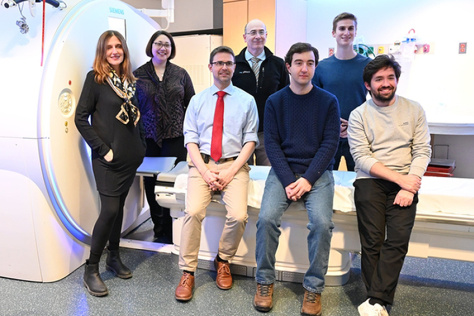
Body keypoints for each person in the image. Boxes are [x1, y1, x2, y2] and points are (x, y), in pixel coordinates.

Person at [253, 42, 340, 316]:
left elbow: (330, 144)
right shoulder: (275, 101)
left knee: (323, 224)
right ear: (288, 66)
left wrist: (308, 180)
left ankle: (313, 289)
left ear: (315, 66)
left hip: (318, 173)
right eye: (299, 62)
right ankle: (264, 282)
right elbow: (273, 144)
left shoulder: (328, 101)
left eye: (310, 63)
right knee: (266, 219)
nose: (305, 68)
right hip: (283, 171)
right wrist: (291, 179)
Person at [347, 55, 431, 316]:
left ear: (397, 80)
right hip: (370, 180)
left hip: (405, 182)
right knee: (372, 240)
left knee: (397, 240)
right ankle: (379, 302)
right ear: (368, 85)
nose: (386, 83)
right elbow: (361, 157)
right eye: (379, 79)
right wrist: (400, 180)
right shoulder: (358, 115)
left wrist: (409, 186)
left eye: (390, 78)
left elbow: (423, 150)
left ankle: (374, 302)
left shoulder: (414, 109)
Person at [174, 46, 259, 302]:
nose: (224, 67)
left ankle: (223, 259)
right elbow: (190, 140)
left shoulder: (247, 101)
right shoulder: (197, 101)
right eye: (219, 63)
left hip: (234, 164)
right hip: (202, 164)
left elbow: (250, 141)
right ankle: (188, 272)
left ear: (234, 67)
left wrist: (230, 171)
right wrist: (205, 171)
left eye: (229, 63)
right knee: (193, 212)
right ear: (211, 67)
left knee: (239, 215)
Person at [75, 30, 146, 297]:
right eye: (109, 48)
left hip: (130, 158)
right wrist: (103, 150)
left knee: (118, 210)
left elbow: (135, 115)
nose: (114, 51)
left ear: (124, 50)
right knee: (109, 210)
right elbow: (81, 119)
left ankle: (113, 258)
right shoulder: (95, 80)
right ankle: (91, 268)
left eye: (118, 46)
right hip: (107, 160)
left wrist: (140, 146)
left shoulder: (129, 80)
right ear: (102, 52)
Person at [134, 30, 195, 243]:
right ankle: (158, 226)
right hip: (148, 138)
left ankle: (174, 227)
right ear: (151, 46)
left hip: (175, 136)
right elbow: (132, 107)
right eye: (159, 43)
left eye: (167, 45)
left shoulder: (180, 73)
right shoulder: (138, 74)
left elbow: (192, 104)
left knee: (173, 181)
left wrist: (190, 132)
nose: (163, 48)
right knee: (151, 183)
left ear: (172, 49)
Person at [312, 12, 371, 171]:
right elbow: (314, 103)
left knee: (360, 181)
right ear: (334, 33)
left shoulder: (368, 66)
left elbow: (376, 102)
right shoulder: (321, 67)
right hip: (329, 135)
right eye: (342, 28)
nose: (346, 33)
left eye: (350, 28)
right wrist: (333, 123)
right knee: (326, 180)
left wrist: (353, 123)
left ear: (356, 32)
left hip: (359, 134)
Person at [232, 19, 289, 166]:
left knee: (270, 175)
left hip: (269, 132)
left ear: (266, 35)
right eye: (253, 32)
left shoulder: (278, 64)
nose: (258, 36)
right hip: (241, 131)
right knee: (243, 173)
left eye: (261, 32)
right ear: (245, 37)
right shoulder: (234, 64)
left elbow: (286, 96)